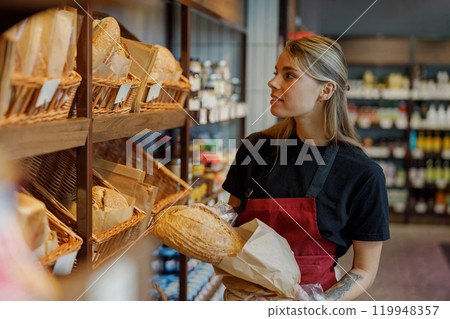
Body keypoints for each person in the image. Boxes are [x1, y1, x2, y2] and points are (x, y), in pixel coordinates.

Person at [222, 35, 390, 301]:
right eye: (276, 73)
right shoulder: (255, 148)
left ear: (326, 90)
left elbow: (364, 269)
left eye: (289, 76)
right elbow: (229, 223)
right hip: (244, 300)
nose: (272, 82)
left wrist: (319, 305)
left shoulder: (363, 174)